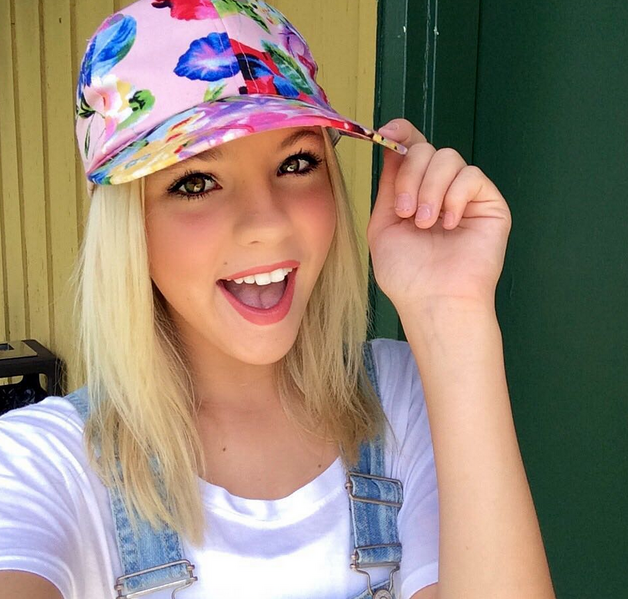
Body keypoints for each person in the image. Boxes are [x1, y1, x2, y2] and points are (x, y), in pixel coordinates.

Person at [0, 1, 555, 598]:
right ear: (127, 229)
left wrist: (453, 311)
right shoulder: (39, 465)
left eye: (296, 163)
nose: (266, 223)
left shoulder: (401, 398)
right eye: (195, 182)